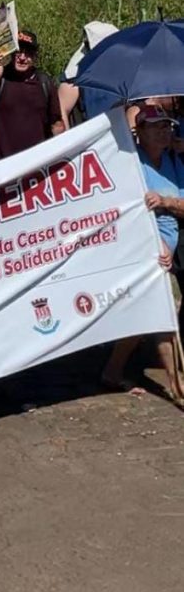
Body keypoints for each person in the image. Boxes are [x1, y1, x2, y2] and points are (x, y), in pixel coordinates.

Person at [100, 107, 184, 404]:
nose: (164, 131)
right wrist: (153, 242)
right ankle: (177, 387)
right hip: (145, 246)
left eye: (167, 126)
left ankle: (112, 371)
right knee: (163, 310)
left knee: (144, 312)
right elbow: (122, 209)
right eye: (156, 126)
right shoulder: (130, 163)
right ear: (140, 130)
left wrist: (167, 202)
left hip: (169, 245)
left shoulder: (174, 162)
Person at [0, 30, 64, 162]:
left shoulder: (44, 83)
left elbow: (56, 124)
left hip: (34, 165)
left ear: (35, 56)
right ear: (12, 52)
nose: (22, 57)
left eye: (28, 53)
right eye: (19, 51)